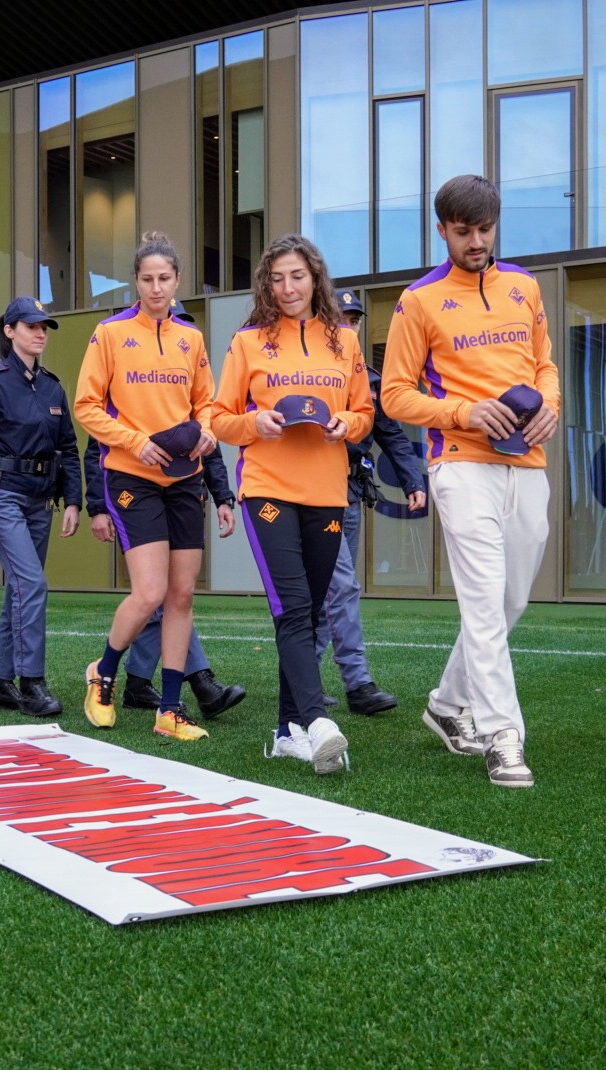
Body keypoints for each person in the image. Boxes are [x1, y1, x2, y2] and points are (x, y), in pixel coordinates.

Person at [381, 174, 560, 789]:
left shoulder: (524, 286)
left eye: (485, 229)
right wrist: (463, 412)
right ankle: (503, 736)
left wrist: (552, 405)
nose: (477, 241)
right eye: (464, 232)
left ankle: (445, 704)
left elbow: (543, 364)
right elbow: (395, 394)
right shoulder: (418, 301)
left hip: (527, 464)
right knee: (483, 600)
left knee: (509, 603)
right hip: (458, 464)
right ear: (442, 231)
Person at [211, 234, 373, 774]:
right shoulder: (249, 342)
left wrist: (343, 426)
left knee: (308, 611)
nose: (287, 288)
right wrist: (253, 423)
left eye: (297, 276)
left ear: (315, 278)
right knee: (294, 606)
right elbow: (218, 417)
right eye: (277, 278)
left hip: (327, 493)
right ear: (266, 283)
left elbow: (364, 414)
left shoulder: (344, 342)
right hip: (267, 490)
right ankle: (316, 720)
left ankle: (286, 732)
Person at [73, 231, 216, 741]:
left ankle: (170, 710)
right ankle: (103, 672)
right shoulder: (108, 334)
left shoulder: (191, 339)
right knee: (151, 591)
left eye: (165, 279)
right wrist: (135, 442)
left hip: (184, 478)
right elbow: (86, 407)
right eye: (147, 279)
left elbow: (206, 404)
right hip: (132, 475)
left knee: (181, 595)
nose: (156, 288)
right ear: (135, 282)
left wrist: (208, 431)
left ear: (177, 282)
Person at [0, 297, 82, 717]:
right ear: (9, 331)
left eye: (44, 327)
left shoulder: (52, 386)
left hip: (42, 500)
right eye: (30, 326)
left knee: (21, 591)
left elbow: (69, 448)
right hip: (3, 496)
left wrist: (74, 501)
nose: (40, 333)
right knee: (32, 584)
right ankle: (32, 683)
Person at [313, 288, 427, 715]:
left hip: (352, 493)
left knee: (332, 591)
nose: (348, 324)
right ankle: (357, 683)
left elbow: (392, 436)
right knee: (339, 587)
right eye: (341, 317)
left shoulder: (371, 378)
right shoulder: (313, 370)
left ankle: (305, 678)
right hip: (314, 495)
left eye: (354, 319)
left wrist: (414, 480)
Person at [83, 435, 246, 720]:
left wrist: (222, 495)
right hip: (134, 490)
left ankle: (140, 683)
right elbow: (97, 447)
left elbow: (210, 448)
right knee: (153, 593)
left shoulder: (193, 398)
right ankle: (198, 679)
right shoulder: (126, 398)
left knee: (175, 595)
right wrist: (97, 506)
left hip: (183, 490)